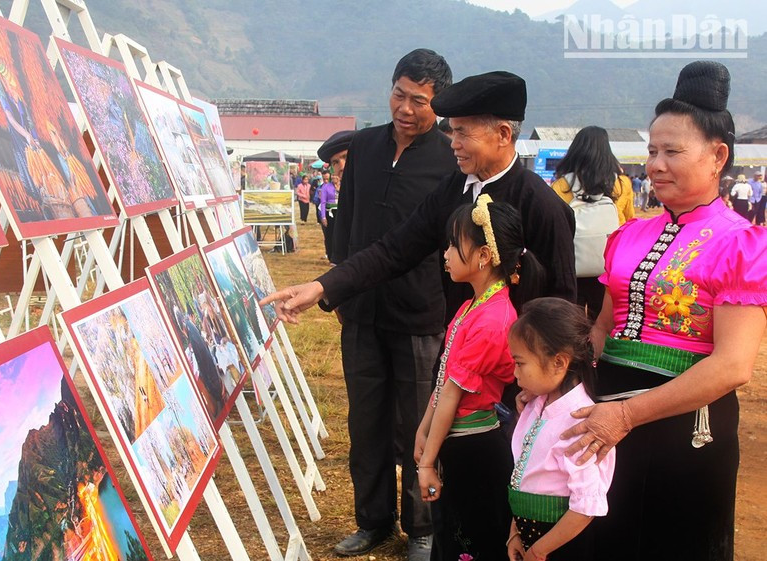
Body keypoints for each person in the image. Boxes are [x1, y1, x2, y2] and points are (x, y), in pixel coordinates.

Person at [558, 61, 766, 561]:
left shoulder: (741, 244)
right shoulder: (630, 235)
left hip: (687, 431)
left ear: (718, 157)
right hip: (606, 419)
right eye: (652, 151)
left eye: (673, 151)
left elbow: (733, 365)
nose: (655, 164)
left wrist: (627, 415)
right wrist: (559, 384)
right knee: (608, 536)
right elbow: (604, 327)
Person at [261, 71, 576, 327]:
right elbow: (394, 249)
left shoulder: (542, 206)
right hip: (456, 350)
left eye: (464, 133)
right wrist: (320, 287)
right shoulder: (453, 189)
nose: (454, 144)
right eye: (452, 132)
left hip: (515, 374)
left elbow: (561, 306)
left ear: (504, 134)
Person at [327, 49, 455, 561]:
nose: (405, 108)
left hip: (420, 315)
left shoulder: (449, 158)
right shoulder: (364, 145)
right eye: (399, 95)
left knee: (421, 426)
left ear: (438, 105)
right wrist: (340, 283)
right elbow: (347, 220)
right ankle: (372, 520)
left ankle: (422, 528)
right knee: (366, 423)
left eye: (419, 101)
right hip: (361, 311)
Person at [415, 196, 543, 560]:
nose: (446, 253)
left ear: (484, 255)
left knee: (471, 541)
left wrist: (426, 461)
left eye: (455, 245)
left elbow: (453, 394)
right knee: (452, 537)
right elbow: (444, 381)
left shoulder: (493, 320)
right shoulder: (472, 305)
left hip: (474, 449)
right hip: (455, 442)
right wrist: (424, 433)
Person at [506, 298, 615, 561]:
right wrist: (515, 532)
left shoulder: (579, 424)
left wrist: (540, 551)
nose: (514, 373)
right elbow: (525, 475)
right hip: (528, 536)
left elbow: (585, 506)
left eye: (520, 363)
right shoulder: (536, 405)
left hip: (560, 544)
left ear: (559, 363)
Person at [551, 126, 634, 319]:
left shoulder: (562, 185)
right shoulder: (622, 184)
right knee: (603, 319)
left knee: (572, 319)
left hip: (572, 265)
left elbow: (556, 226)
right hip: (609, 265)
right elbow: (628, 222)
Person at [318, 170, 337, 261]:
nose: (334, 177)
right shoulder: (326, 187)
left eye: (335, 175)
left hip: (340, 213)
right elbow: (323, 203)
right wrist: (323, 217)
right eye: (332, 175)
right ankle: (330, 255)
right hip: (330, 213)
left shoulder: (344, 185)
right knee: (330, 235)